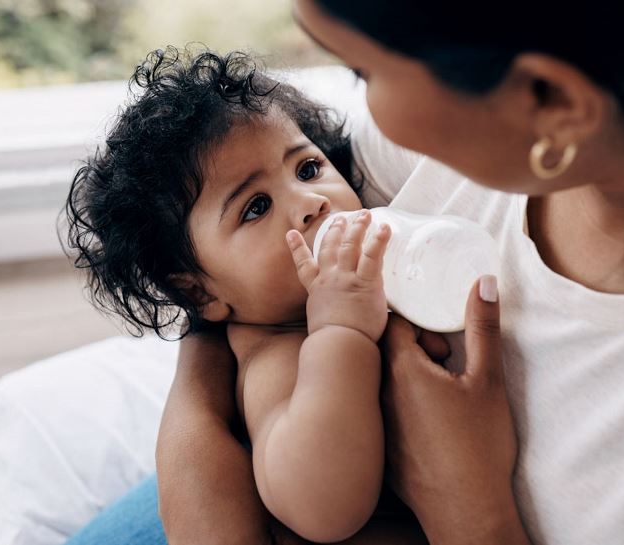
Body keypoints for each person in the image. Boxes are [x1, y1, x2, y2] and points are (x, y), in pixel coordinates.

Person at [68, 0, 624, 544]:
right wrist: (219, 379)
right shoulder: (483, 109)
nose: (319, 185)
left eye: (364, 73)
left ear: (548, 101)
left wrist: (468, 509)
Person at [63, 46, 430, 544]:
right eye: (256, 207)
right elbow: (323, 508)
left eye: (307, 169)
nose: (310, 203)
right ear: (200, 291)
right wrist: (340, 333)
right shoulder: (277, 358)